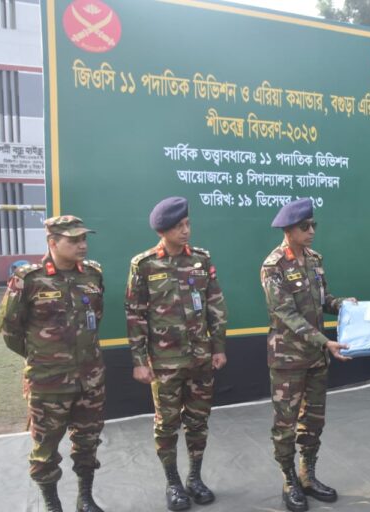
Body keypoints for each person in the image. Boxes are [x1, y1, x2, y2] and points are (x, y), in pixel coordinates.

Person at [125, 197, 227, 511]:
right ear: (163, 230)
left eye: (187, 224)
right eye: (179, 226)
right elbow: (135, 315)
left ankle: (194, 477)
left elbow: (216, 305)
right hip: (165, 363)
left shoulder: (200, 259)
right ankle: (173, 483)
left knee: (198, 422)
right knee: (166, 424)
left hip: (200, 358)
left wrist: (218, 347)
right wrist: (140, 361)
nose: (186, 231)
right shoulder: (144, 265)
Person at [0, 215, 105, 512]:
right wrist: (44, 357)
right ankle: (52, 504)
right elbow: (9, 331)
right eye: (73, 240)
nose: (82, 245)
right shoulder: (28, 280)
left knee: (87, 443)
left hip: (90, 379)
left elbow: (95, 319)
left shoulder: (92, 275)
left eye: (84, 239)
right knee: (45, 451)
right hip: (48, 383)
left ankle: (85, 498)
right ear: (52, 242)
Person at [260, 197, 354, 512]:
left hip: (315, 357)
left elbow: (324, 299)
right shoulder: (273, 266)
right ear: (289, 230)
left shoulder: (314, 259)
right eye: (305, 226)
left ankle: (308, 475)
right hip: (288, 359)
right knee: (285, 424)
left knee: (313, 421)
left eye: (314, 225)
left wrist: (343, 304)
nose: (312, 230)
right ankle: (289, 480)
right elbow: (286, 313)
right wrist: (324, 341)